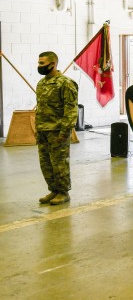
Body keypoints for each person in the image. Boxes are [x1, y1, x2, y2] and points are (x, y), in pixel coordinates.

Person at [35, 51, 78, 205]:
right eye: (39, 62)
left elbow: (71, 109)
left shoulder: (65, 83)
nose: (39, 66)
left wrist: (65, 131)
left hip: (57, 131)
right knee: (46, 163)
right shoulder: (41, 83)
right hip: (43, 131)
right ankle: (53, 190)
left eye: (42, 63)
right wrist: (37, 130)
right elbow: (40, 108)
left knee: (59, 163)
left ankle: (63, 192)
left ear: (53, 64)